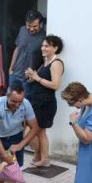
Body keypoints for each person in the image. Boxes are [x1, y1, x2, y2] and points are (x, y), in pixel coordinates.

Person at [25, 34, 65, 167]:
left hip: (45, 103)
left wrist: (37, 78)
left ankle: (43, 158)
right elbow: (39, 80)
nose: (43, 48)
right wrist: (32, 77)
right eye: (43, 45)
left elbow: (55, 85)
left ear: (55, 48)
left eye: (47, 46)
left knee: (35, 131)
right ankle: (40, 156)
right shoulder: (46, 62)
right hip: (36, 101)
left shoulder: (56, 63)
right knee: (36, 131)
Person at [61, 82, 92, 183]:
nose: (72, 106)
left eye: (72, 103)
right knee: (84, 180)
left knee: (86, 181)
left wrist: (73, 123)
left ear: (80, 99)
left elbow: (88, 138)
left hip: (91, 151)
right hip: (87, 152)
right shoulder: (88, 101)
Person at [7, 9, 45, 90]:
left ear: (40, 24)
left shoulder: (44, 36)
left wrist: (36, 75)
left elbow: (45, 60)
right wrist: (11, 68)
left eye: (35, 26)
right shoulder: (22, 30)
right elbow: (17, 49)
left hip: (29, 79)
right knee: (11, 98)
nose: (31, 29)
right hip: (15, 74)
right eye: (29, 26)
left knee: (25, 101)